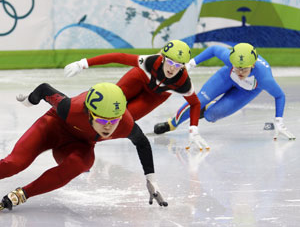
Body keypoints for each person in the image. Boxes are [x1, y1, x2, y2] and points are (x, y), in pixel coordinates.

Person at [0, 82, 168, 211]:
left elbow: (143, 143)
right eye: (102, 120)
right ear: (89, 113)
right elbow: (44, 89)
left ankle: (21, 195)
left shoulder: (125, 124)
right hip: (52, 128)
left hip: (77, 146)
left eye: (114, 120)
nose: (108, 127)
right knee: (14, 164)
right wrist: (30, 100)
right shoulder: (70, 108)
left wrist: (151, 179)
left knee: (84, 162)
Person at [64, 40, 209, 150]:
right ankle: (72, 121)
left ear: (184, 66)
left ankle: (85, 144)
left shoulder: (183, 83)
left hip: (155, 97)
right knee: (108, 104)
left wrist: (193, 129)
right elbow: (118, 57)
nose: (172, 68)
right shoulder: (150, 62)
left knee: (122, 122)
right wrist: (83, 63)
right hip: (138, 79)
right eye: (170, 61)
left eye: (178, 65)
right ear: (163, 57)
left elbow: (195, 103)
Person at [154, 43, 296, 141]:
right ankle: (171, 123)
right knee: (199, 100)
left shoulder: (264, 78)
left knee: (211, 115)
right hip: (227, 77)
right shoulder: (229, 58)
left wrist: (279, 121)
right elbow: (214, 49)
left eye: (244, 69)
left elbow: (279, 96)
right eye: (237, 67)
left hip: (247, 91)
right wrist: (191, 63)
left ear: (253, 65)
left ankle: (208, 108)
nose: (240, 72)